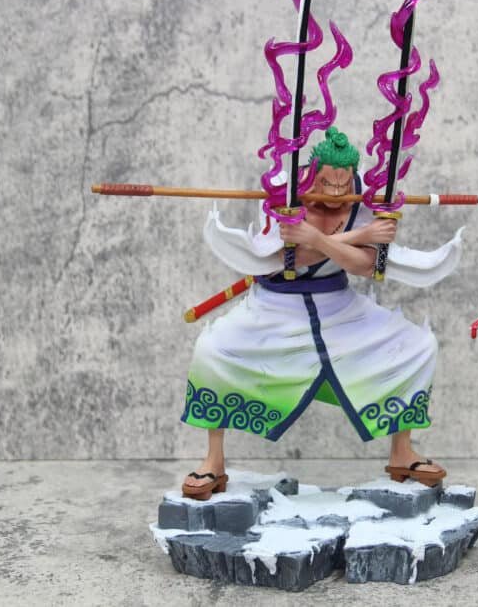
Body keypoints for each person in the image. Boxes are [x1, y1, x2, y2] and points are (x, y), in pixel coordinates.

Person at [180, 128, 457, 500]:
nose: (338, 193)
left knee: (416, 346)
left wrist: (330, 239)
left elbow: (364, 266)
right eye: (328, 184)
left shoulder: (366, 196)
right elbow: (293, 256)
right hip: (275, 305)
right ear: (313, 174)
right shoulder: (284, 193)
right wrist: (355, 236)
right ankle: (213, 460)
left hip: (339, 305)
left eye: (344, 185)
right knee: (212, 350)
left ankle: (402, 452)